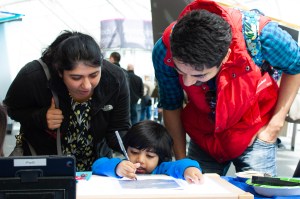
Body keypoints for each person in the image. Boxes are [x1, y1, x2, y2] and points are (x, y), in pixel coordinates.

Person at [152, 0, 300, 176]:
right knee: (198, 192)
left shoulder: (263, 35)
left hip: (255, 132)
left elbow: (295, 66)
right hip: (204, 135)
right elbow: (171, 104)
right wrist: (182, 161)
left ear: (225, 56)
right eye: (180, 71)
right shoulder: (163, 50)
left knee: (258, 194)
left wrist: (274, 126)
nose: (188, 82)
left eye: (200, 75)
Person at [4, 30, 130, 171]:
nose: (87, 85)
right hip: (45, 166)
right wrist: (41, 117)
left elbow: (119, 128)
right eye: (76, 78)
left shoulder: (115, 79)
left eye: (94, 75)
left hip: (96, 168)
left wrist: (137, 150)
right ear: (59, 72)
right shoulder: (34, 76)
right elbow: (12, 109)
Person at [92, 120, 203, 184]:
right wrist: (117, 168)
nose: (140, 160)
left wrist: (188, 169)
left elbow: (181, 164)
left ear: (160, 157)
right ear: (126, 150)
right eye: (134, 152)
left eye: (150, 156)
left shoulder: (162, 169)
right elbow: (98, 165)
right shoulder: (122, 166)